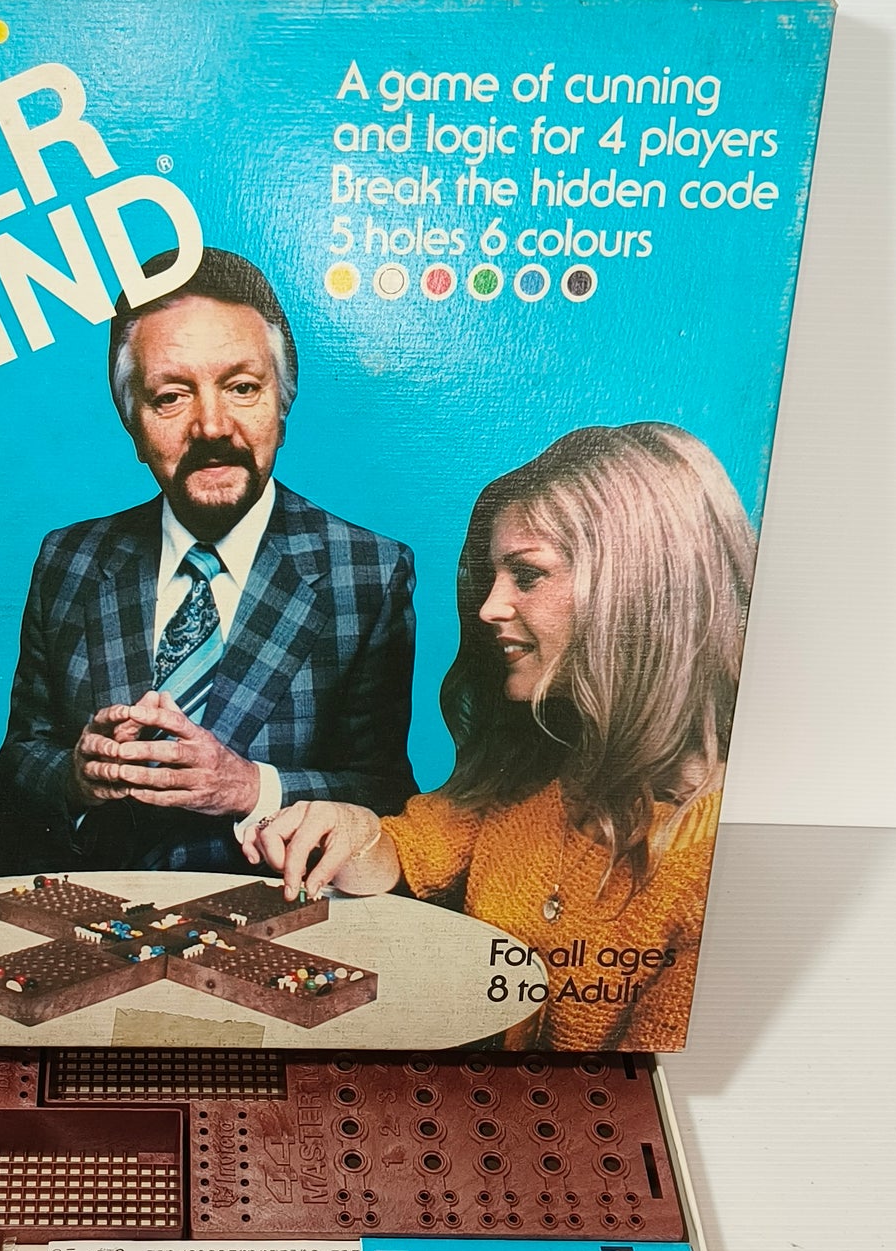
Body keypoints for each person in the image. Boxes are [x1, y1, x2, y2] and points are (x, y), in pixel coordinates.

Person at [242, 422, 756, 1053]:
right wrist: (352, 829)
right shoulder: (537, 767)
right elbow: (408, 849)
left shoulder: (719, 865)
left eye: (527, 575)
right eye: (492, 576)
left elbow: (640, 1089)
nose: (488, 607)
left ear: (643, 592)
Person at [0, 246, 418, 876]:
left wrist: (248, 786)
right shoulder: (69, 559)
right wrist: (76, 777)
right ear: (132, 423)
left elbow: (387, 799)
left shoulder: (368, 572)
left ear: (283, 403)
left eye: (242, 388)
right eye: (170, 396)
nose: (212, 426)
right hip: (92, 917)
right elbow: (22, 761)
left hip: (270, 920)